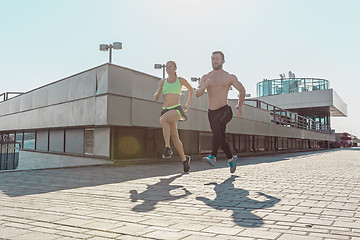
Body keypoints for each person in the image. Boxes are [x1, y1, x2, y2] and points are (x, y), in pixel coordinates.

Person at [195, 51, 246, 173]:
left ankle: (213, 156)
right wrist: (204, 85)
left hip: (225, 110)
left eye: (217, 59)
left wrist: (239, 105)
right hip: (211, 112)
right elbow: (197, 93)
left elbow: (242, 90)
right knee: (221, 138)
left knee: (217, 125)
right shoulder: (206, 77)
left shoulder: (229, 77)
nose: (214, 61)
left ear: (223, 61)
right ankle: (231, 159)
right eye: (212, 59)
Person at [154, 60, 193, 173]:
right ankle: (185, 160)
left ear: (175, 68)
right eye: (166, 67)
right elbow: (155, 98)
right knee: (175, 138)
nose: (168, 68)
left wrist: (188, 103)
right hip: (165, 110)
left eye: (170, 66)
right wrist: (159, 89)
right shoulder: (162, 81)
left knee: (163, 119)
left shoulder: (180, 80)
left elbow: (191, 89)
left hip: (176, 109)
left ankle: (167, 147)